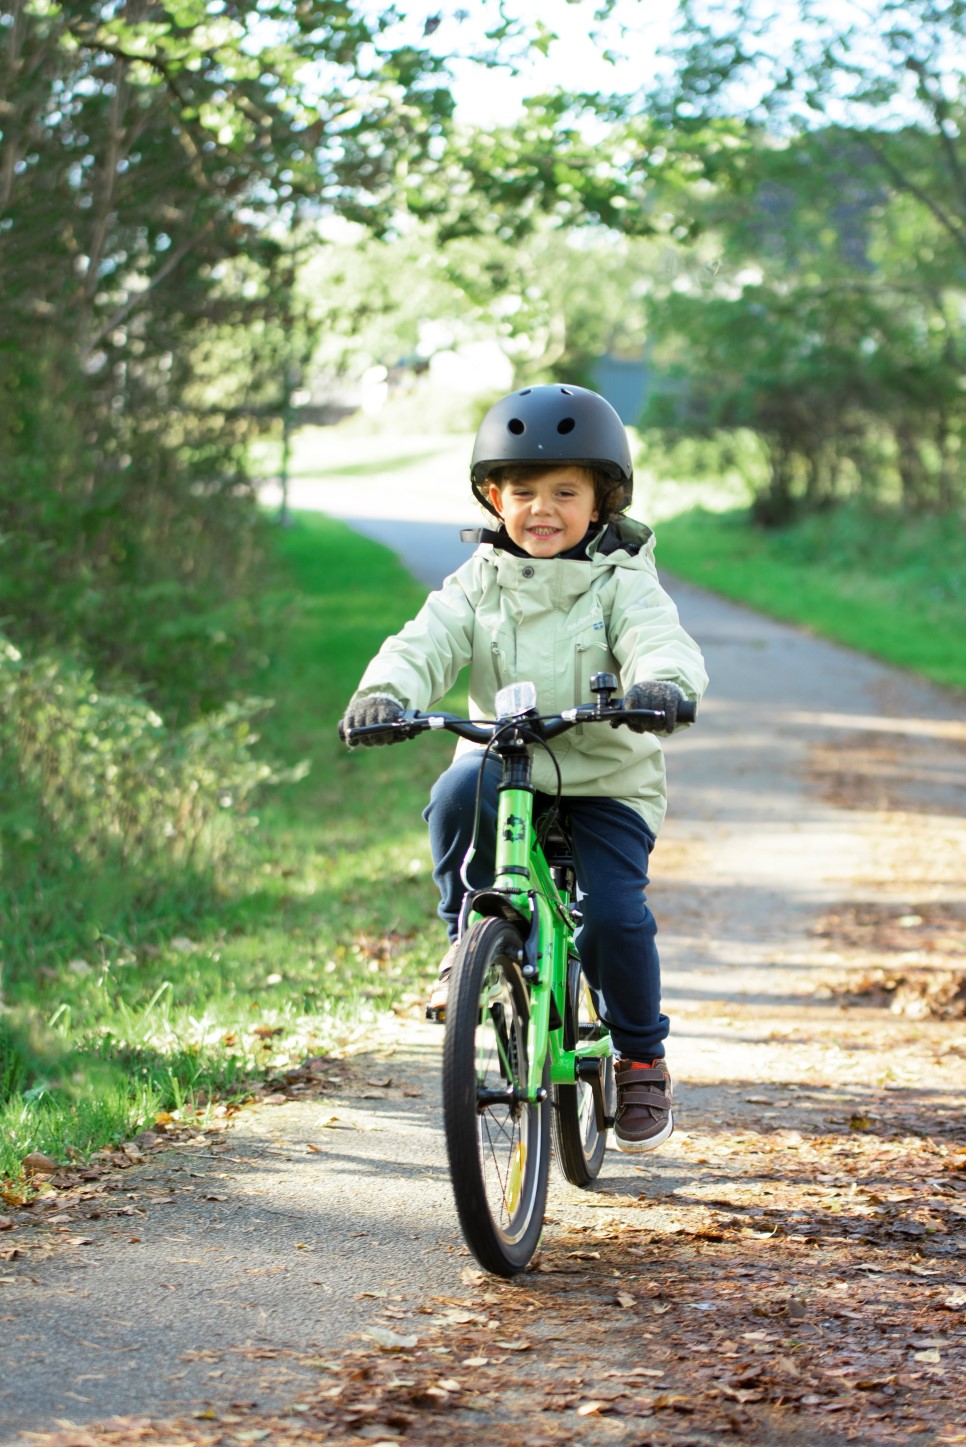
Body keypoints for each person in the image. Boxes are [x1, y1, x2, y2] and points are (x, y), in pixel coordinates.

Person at [340, 384, 708, 1152]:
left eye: (565, 492)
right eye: (523, 492)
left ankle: (641, 1054)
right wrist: (385, 693)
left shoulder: (620, 582)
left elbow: (657, 638)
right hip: (506, 766)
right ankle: (464, 938)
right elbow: (425, 641)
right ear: (493, 497)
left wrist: (662, 687)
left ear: (602, 501)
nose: (543, 508)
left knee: (611, 914)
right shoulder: (478, 581)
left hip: (606, 778)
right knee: (450, 796)